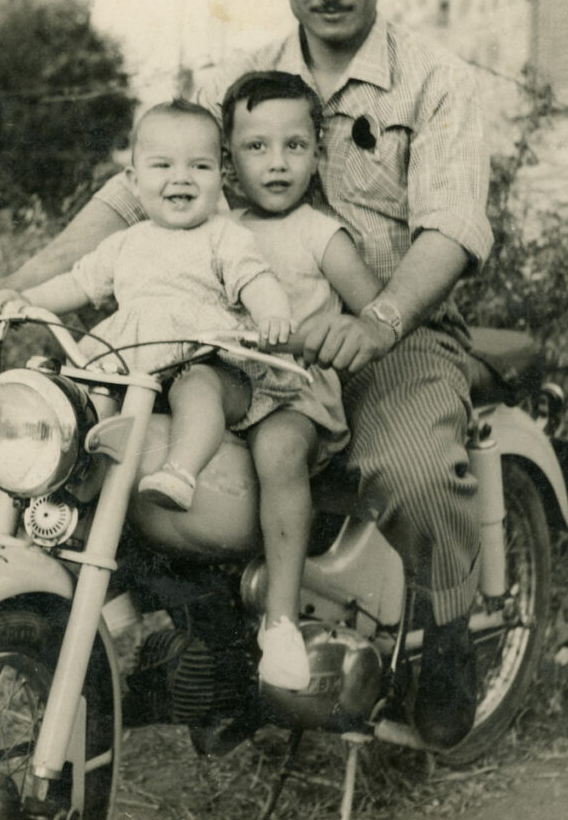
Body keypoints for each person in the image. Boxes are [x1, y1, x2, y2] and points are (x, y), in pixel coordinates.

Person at [0, 0, 493, 748]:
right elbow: (134, 193)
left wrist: (376, 319)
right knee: (110, 443)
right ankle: (209, 648)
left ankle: (451, 634)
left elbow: (451, 229)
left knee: (408, 467)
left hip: (391, 324)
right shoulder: (241, 76)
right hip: (228, 334)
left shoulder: (439, 83)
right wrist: (18, 281)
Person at [0, 99, 300, 513]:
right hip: (138, 364)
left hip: (204, 358)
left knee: (197, 388)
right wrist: (26, 300)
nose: (181, 179)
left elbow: (257, 280)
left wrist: (272, 314)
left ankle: (180, 472)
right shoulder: (126, 243)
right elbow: (77, 283)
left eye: (199, 167)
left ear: (221, 177)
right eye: (162, 166)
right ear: (133, 181)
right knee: (82, 388)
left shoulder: (223, 237)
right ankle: (76, 473)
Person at [223, 69, 382, 689]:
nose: (277, 162)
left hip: (296, 393)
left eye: (294, 146)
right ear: (229, 161)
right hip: (231, 385)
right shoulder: (220, 230)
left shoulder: (320, 233)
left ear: (318, 155)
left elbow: (373, 311)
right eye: (256, 147)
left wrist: (340, 332)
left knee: (278, 447)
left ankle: (281, 621)